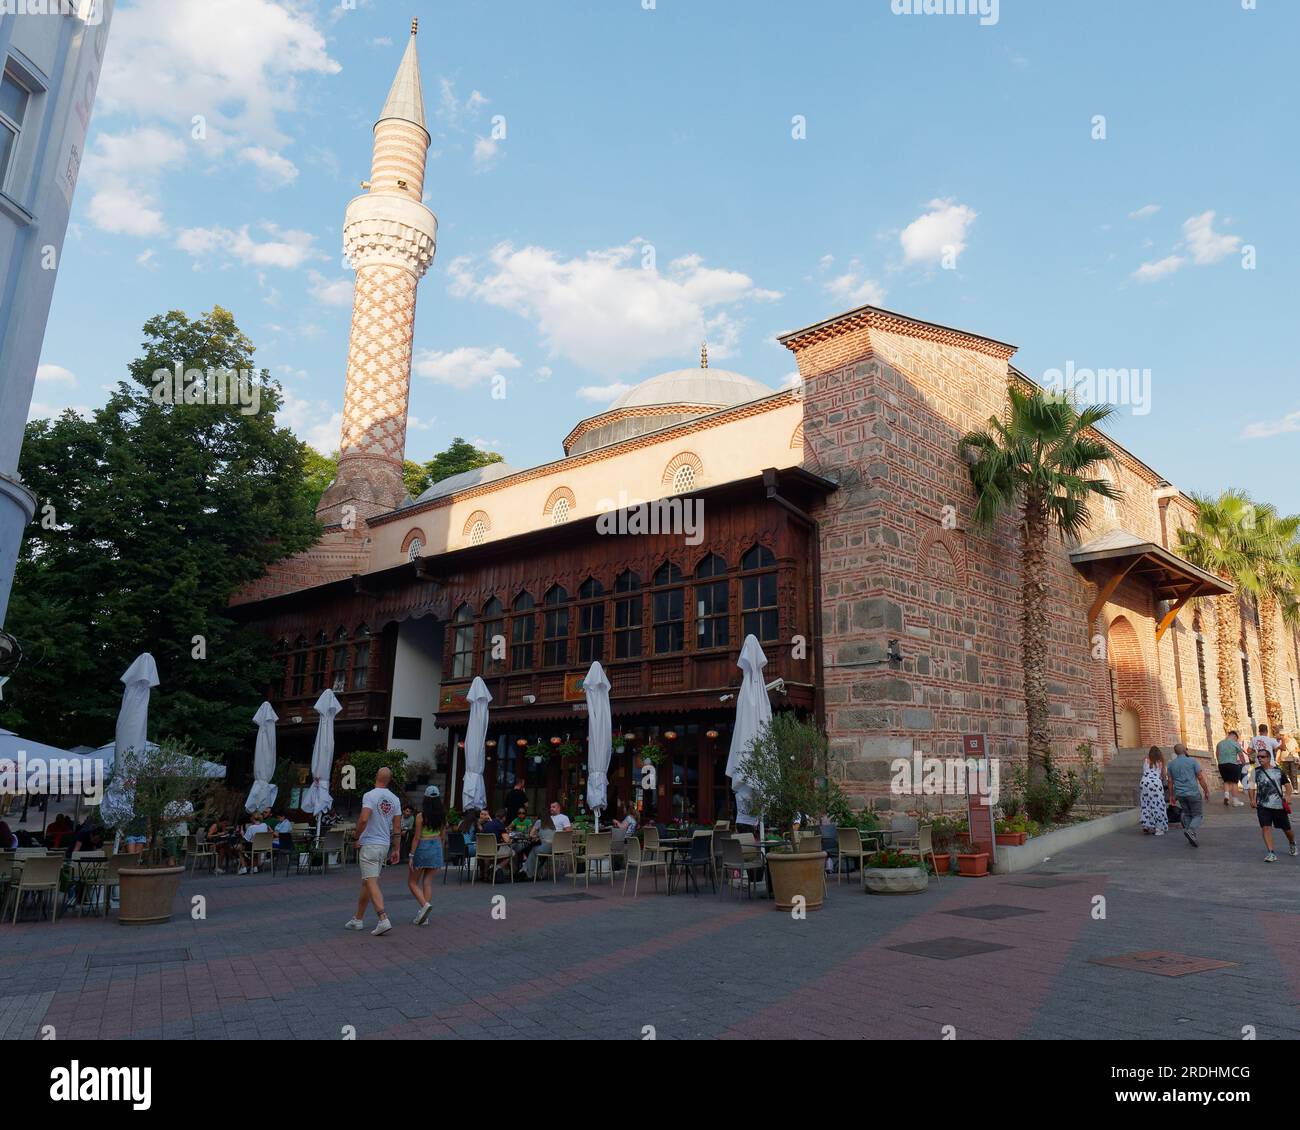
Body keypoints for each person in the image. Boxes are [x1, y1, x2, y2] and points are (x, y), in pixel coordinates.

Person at [344, 767, 402, 936]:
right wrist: (396, 848)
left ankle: (383, 918)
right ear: (389, 780)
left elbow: (363, 818)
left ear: (376, 777)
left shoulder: (369, 795)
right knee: (367, 881)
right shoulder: (395, 799)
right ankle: (358, 919)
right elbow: (397, 827)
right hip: (384, 845)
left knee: (371, 882)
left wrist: (357, 837)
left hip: (369, 844)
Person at [1247, 745, 1296, 862]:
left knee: (1286, 829)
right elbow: (1251, 787)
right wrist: (1252, 799)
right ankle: (1271, 852)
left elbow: (1288, 787)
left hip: (1278, 805)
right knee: (1266, 827)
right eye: (1258, 757)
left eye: (1262, 757)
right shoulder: (1255, 772)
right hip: (1263, 805)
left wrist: (1288, 796)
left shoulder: (1279, 771)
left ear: (1269, 758)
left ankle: (1292, 842)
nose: (1260, 759)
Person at [406, 785, 446, 924]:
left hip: (423, 847)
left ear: (426, 799)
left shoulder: (420, 816)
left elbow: (416, 838)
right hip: (436, 847)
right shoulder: (442, 815)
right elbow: (442, 836)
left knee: (412, 882)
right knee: (427, 882)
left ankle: (424, 906)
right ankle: (425, 917)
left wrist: (411, 855)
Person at [1167, 743, 1210, 847]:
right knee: (1197, 815)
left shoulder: (1171, 764)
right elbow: (1200, 777)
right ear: (1185, 751)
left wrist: (1171, 795)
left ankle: (1191, 834)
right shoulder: (1193, 761)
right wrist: (1206, 790)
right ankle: (1190, 831)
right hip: (1193, 792)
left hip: (1180, 794)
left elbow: (1170, 781)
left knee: (1187, 814)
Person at [1138, 747, 1169, 836]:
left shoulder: (1146, 760)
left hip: (1144, 783)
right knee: (1158, 805)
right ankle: (1159, 828)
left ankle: (1146, 825)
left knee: (1145, 804)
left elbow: (1145, 771)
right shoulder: (1160, 762)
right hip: (1155, 784)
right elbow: (1163, 775)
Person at [1215, 729, 1246, 806]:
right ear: (1234, 736)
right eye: (1236, 738)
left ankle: (1226, 796)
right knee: (1234, 783)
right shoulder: (1235, 743)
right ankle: (1235, 801)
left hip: (1222, 765)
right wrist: (1244, 764)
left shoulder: (1219, 743)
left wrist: (1220, 762)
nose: (1236, 739)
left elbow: (1217, 754)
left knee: (1226, 781)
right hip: (1232, 764)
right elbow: (1241, 755)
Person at [525, 810, 556, 879]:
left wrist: (537, 836)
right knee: (540, 854)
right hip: (553, 848)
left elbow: (531, 834)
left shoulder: (539, 822)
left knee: (533, 850)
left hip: (545, 848)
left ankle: (529, 873)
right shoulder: (551, 823)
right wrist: (540, 836)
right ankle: (536, 872)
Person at [162, 798, 193, 865]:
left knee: (178, 848)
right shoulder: (170, 804)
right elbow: (164, 818)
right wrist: (175, 819)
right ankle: (171, 864)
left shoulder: (189, 804)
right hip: (171, 831)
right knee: (171, 848)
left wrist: (186, 817)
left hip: (182, 830)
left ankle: (175, 864)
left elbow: (191, 818)